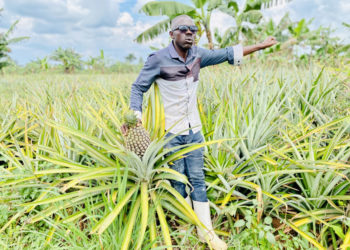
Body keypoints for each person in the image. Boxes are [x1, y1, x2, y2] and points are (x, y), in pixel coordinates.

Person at [122, 14, 277, 250]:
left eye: (193, 30)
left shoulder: (198, 55)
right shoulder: (158, 59)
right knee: (178, 180)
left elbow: (227, 53)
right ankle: (185, 227)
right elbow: (138, 87)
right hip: (170, 133)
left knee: (198, 179)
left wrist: (261, 45)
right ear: (172, 34)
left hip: (194, 131)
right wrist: (135, 116)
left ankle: (207, 233)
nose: (190, 33)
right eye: (183, 29)